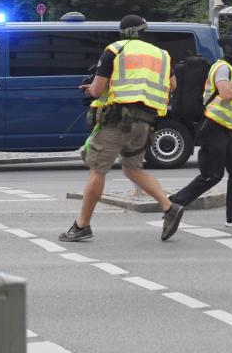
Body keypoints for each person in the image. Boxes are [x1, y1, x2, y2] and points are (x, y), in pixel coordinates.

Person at [59, 15, 184, 242]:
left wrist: (90, 89)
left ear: (124, 32)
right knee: (132, 169)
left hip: (118, 121)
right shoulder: (162, 55)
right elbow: (172, 85)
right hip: (146, 122)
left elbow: (97, 90)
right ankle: (169, 207)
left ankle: (82, 226)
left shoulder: (115, 50)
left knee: (98, 169)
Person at [170, 34, 232, 227]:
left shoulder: (229, 68)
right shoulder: (222, 67)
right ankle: (175, 203)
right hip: (213, 126)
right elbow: (225, 93)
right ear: (231, 50)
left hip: (226, 128)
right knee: (212, 175)